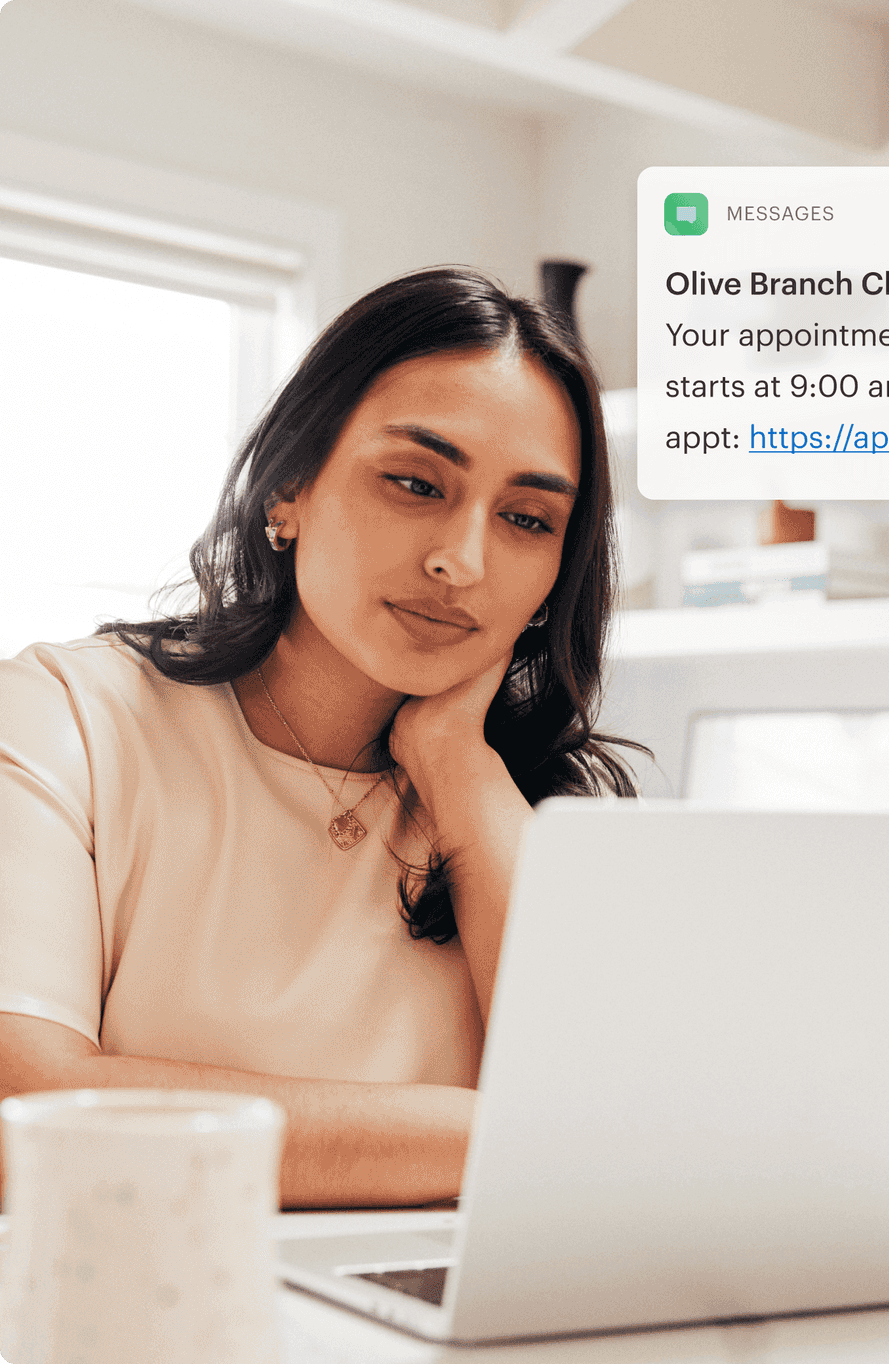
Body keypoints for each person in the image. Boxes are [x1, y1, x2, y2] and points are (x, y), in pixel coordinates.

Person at [0, 266, 641, 1207]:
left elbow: (622, 1149)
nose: (460, 561)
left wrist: (460, 768)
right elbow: (28, 1116)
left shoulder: (533, 807)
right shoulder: (67, 719)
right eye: (417, 482)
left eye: (525, 518)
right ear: (288, 488)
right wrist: (519, 1135)